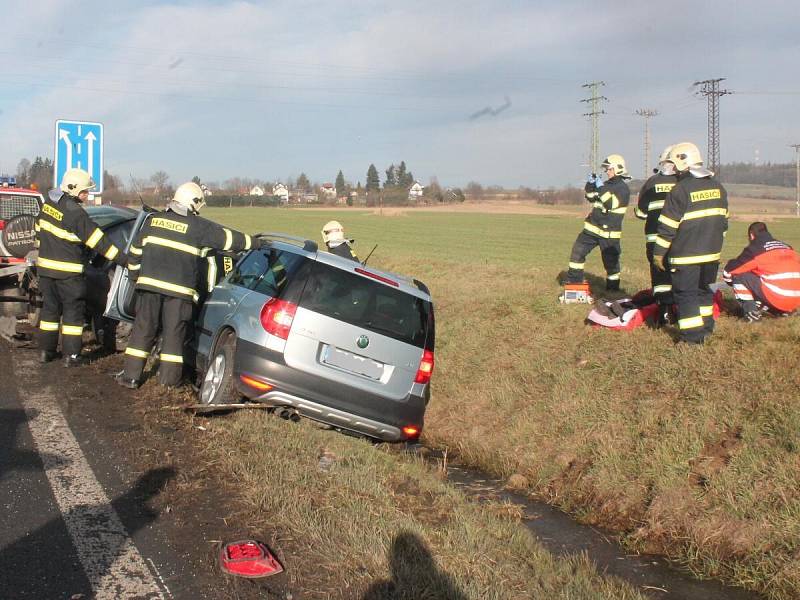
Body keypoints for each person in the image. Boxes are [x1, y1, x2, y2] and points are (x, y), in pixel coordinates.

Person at [116, 182, 260, 388]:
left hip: (148, 289)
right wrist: (256, 243)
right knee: (174, 337)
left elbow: (135, 254)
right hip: (179, 294)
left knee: (142, 331)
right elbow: (228, 239)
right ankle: (168, 383)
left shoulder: (152, 221)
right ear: (193, 203)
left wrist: (135, 278)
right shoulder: (198, 227)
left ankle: (130, 377)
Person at [35, 168, 128, 366]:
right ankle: (71, 356)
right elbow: (99, 243)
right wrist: (124, 260)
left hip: (45, 271)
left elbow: (38, 230)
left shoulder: (49, 204)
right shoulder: (76, 213)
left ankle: (46, 352)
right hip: (68, 275)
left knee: (50, 312)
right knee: (72, 315)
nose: (87, 195)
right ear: (74, 189)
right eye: (85, 191)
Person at [652, 142, 728, 344]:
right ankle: (706, 328)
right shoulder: (718, 187)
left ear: (682, 163)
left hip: (685, 257)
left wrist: (658, 253)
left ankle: (692, 339)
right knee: (705, 293)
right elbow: (724, 224)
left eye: (675, 166)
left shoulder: (680, 190)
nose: (674, 171)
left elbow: (667, 227)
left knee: (686, 296)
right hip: (712, 256)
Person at [565, 154, 631, 291]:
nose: (607, 172)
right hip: (591, 229)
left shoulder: (623, 189)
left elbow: (610, 203)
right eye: (606, 169)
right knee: (577, 253)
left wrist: (601, 188)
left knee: (611, 265)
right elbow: (591, 198)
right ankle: (574, 284)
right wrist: (590, 184)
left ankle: (612, 291)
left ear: (618, 169)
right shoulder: (605, 185)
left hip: (609, 234)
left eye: (609, 169)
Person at [722, 222, 800, 321]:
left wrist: (731, 282)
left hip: (779, 297)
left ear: (751, 235)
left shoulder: (755, 249)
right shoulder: (787, 246)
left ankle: (752, 314)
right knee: (763, 276)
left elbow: (731, 271)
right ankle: (782, 311)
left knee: (739, 276)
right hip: (796, 300)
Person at [634, 145, 678, 322]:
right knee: (678, 273)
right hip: (676, 238)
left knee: (659, 274)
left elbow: (640, 213)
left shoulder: (651, 183)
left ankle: (664, 313)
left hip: (654, 238)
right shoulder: (682, 182)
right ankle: (680, 309)